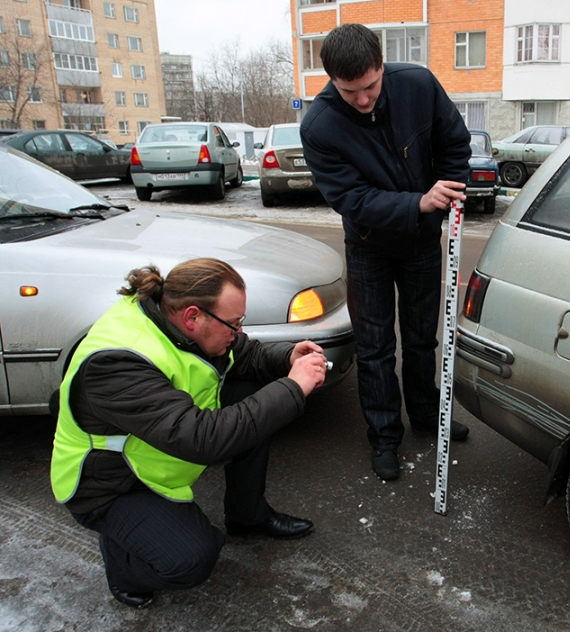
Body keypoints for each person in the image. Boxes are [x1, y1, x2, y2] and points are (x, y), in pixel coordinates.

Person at [50, 258, 328, 609]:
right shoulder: (117, 363)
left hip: (156, 447)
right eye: (234, 323)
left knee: (251, 400)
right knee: (192, 558)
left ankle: (247, 516)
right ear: (193, 316)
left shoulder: (176, 319)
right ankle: (122, 562)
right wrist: (292, 387)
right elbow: (202, 440)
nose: (238, 332)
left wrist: (288, 357)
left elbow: (244, 354)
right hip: (111, 483)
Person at [300, 23, 472, 482]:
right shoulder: (319, 125)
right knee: (375, 347)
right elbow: (349, 199)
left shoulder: (417, 83)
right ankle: (384, 437)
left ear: (382, 64)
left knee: (421, 340)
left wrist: (449, 192)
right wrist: (418, 202)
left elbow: (454, 142)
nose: (362, 99)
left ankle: (427, 417)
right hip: (368, 247)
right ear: (332, 80)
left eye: (371, 86)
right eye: (349, 90)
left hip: (420, 243)